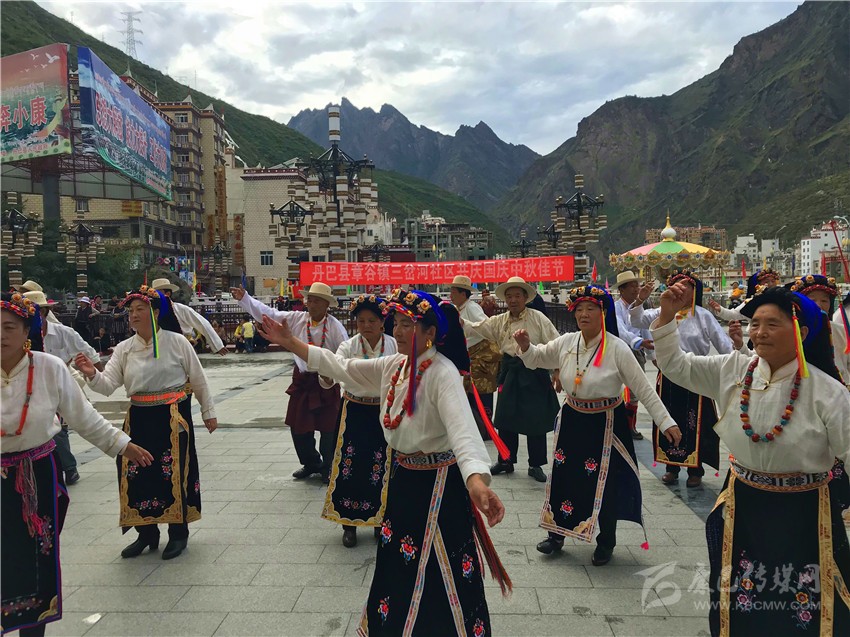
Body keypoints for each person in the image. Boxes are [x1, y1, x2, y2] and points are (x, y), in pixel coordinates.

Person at [258, 288, 509, 637]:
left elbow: (464, 433)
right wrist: (292, 343)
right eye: (398, 323)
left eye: (409, 324)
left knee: (443, 562)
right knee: (398, 557)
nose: (399, 331)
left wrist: (477, 482)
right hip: (404, 478)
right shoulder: (395, 365)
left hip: (439, 485)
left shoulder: (443, 373)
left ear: (430, 333)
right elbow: (341, 367)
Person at [651, 283, 850, 636]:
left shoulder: (828, 392)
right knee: (739, 597)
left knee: (805, 603)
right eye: (755, 324)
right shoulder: (733, 369)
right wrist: (667, 316)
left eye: (772, 324)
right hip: (743, 504)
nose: (759, 332)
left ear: (802, 333)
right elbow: (676, 366)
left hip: (805, 512)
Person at [1, 292, 152, 637]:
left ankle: (32, 628)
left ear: (27, 331)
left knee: (36, 555)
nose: (1, 335)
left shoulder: (48, 368)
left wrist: (122, 445)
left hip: (35, 475)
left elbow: (83, 416)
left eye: (9, 327)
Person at [513, 285, 681, 564]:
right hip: (572, 419)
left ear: (602, 313)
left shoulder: (617, 348)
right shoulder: (567, 342)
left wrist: (666, 422)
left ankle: (606, 541)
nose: (583, 314)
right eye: (579, 309)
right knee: (565, 479)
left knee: (606, 483)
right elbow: (537, 358)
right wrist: (526, 347)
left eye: (590, 308)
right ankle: (556, 534)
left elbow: (643, 388)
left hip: (606, 423)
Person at [75, 285, 217, 561]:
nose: (134, 315)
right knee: (136, 475)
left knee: (173, 472)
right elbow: (107, 386)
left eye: (140, 309)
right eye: (131, 310)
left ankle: (178, 533)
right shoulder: (125, 349)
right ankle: (146, 533)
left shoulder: (177, 342)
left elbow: (198, 379)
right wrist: (92, 374)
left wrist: (208, 411)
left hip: (172, 416)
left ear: (155, 312)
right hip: (138, 418)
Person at [231, 282, 348, 482]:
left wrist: (334, 378)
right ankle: (311, 463)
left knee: (329, 427)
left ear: (326, 304)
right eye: (310, 300)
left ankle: (329, 466)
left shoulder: (335, 327)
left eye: (317, 301)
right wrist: (245, 299)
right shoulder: (296, 319)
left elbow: (344, 355)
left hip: (326, 381)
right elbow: (269, 314)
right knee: (298, 426)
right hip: (303, 380)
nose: (311, 304)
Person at [631, 269, 733, 487]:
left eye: (687, 286)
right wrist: (640, 300)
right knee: (669, 418)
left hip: (696, 374)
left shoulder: (703, 315)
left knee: (697, 422)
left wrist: (737, 362)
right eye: (677, 286)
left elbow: (723, 344)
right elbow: (637, 320)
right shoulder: (662, 312)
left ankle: (696, 469)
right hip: (668, 376)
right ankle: (672, 468)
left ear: (695, 291)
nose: (682, 290)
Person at [465, 276, 560, 482]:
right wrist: (457, 321)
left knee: (535, 419)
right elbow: (476, 327)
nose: (513, 300)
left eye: (517, 296)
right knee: (505, 417)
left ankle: (535, 464)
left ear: (525, 297)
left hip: (534, 370)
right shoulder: (499, 320)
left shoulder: (538, 318)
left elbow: (556, 344)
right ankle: (505, 460)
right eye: (509, 296)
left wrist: (558, 371)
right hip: (510, 371)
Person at [322, 295, 398, 548]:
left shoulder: (393, 345)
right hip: (353, 410)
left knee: (383, 465)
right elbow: (333, 369)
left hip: (384, 411)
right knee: (350, 466)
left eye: (372, 321)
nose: (366, 325)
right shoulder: (348, 346)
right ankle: (349, 524)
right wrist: (326, 375)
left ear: (382, 322)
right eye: (361, 320)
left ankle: (379, 522)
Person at [22, 291, 105, 487]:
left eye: (33, 312)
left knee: (58, 428)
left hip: (56, 388)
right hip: (25, 390)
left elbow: (90, 353)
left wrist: (100, 377)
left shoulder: (63, 333)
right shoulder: (18, 335)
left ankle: (68, 468)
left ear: (43, 312)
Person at [449, 275, 501, 439]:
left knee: (482, 395)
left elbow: (485, 326)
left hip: (481, 357)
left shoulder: (471, 308)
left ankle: (486, 429)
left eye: (453, 292)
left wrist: (468, 326)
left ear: (463, 294)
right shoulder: (459, 309)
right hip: (472, 357)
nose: (451, 296)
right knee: (472, 394)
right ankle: (478, 428)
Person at [613, 270, 656, 441]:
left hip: (637, 350)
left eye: (637, 286)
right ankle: (620, 425)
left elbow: (645, 328)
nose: (636, 289)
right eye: (632, 286)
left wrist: (652, 354)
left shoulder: (639, 307)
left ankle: (630, 426)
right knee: (617, 389)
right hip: (621, 349)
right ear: (622, 290)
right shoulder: (616, 307)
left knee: (636, 390)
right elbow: (620, 330)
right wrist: (638, 341)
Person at [151, 278, 227, 355]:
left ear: (167, 294)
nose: (154, 296)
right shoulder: (151, 311)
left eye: (157, 293)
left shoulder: (181, 309)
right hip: (159, 349)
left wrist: (218, 345)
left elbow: (202, 323)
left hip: (182, 348)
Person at [708, 268, 780, 321]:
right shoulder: (752, 302)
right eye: (766, 281)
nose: (770, 284)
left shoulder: (781, 299)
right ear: (759, 285)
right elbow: (733, 315)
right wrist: (721, 309)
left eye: (773, 281)